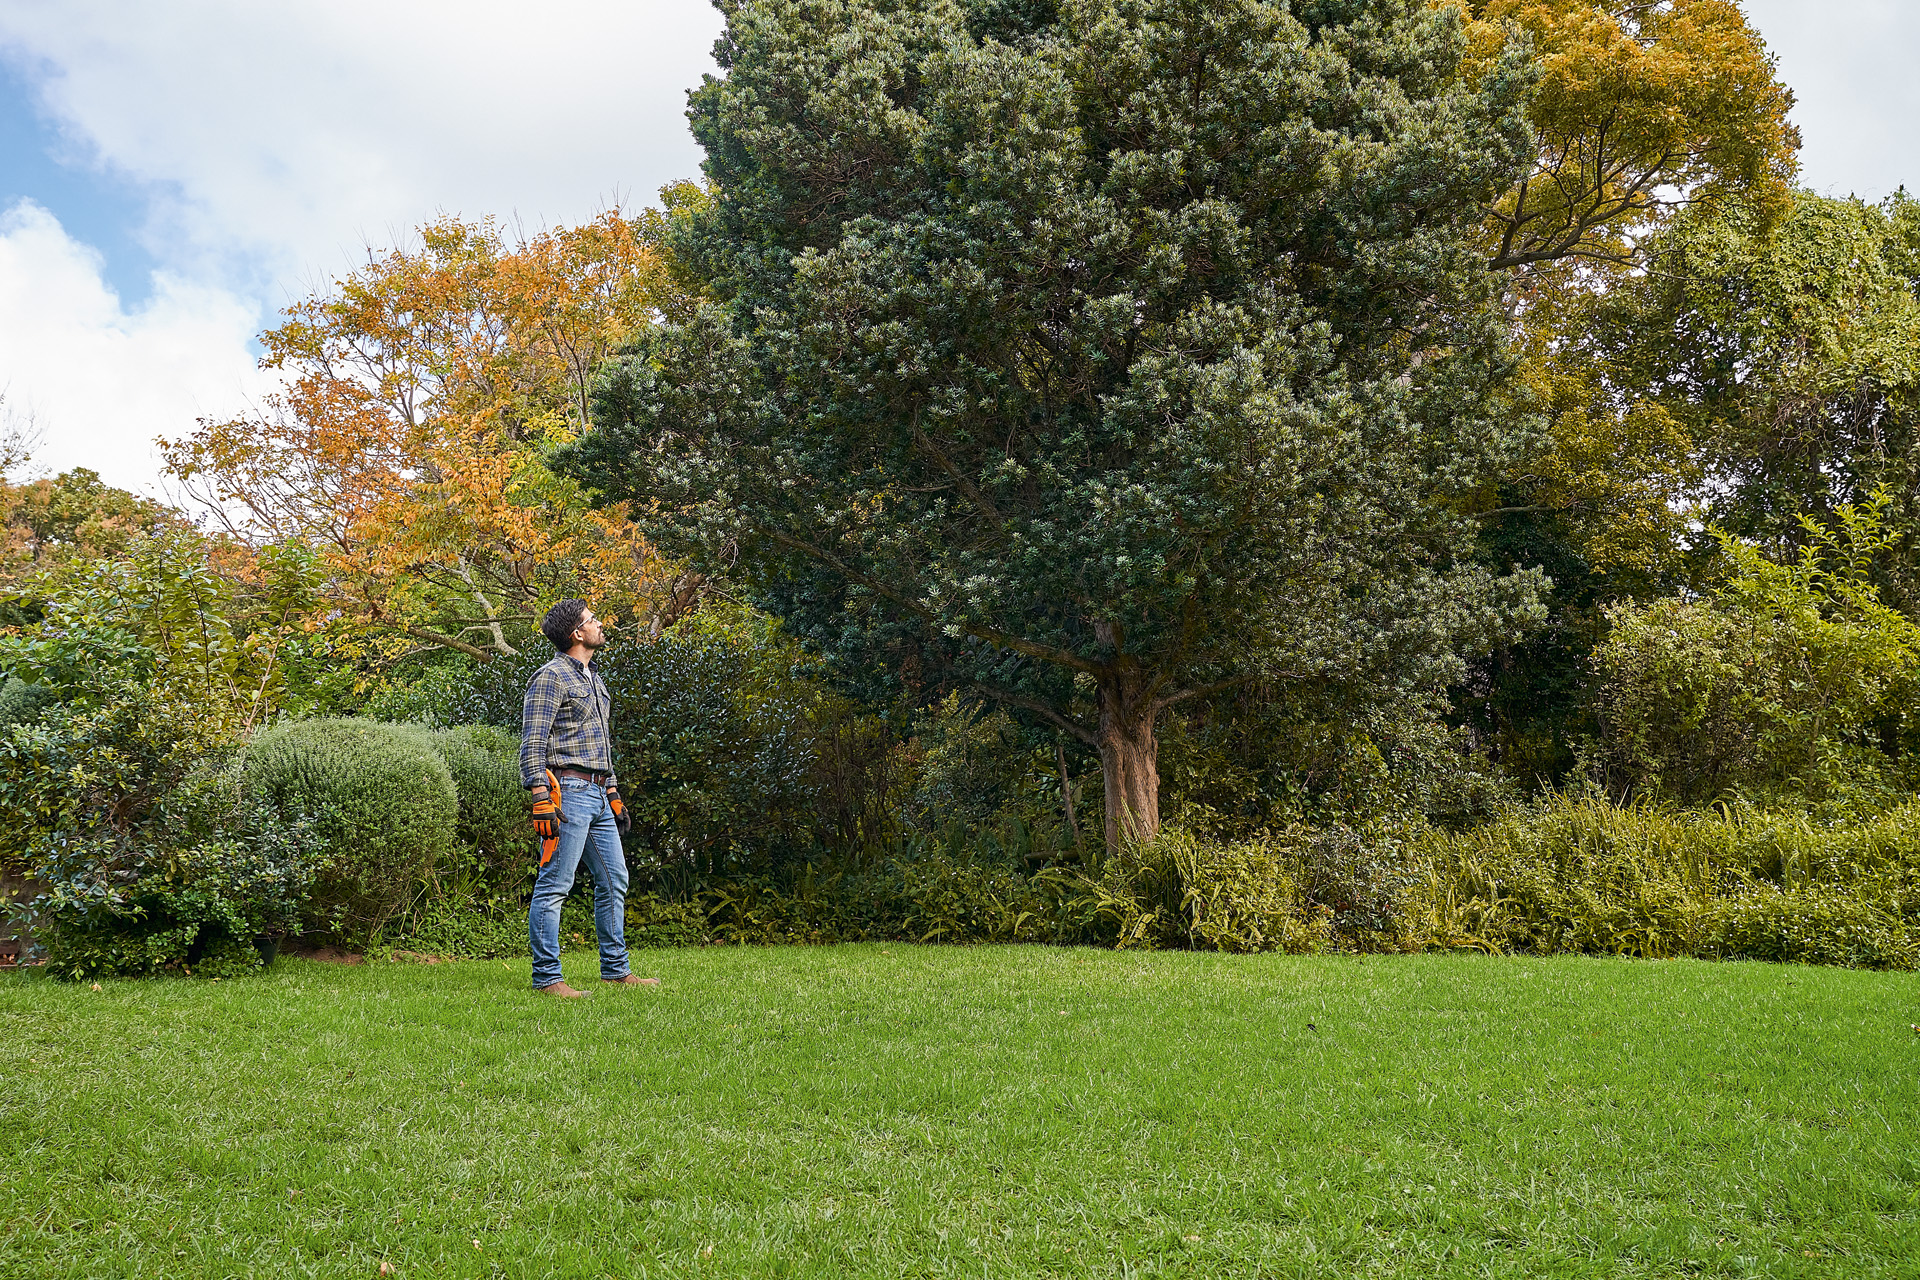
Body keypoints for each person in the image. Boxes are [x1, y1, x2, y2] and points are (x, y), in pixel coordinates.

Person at [520, 599, 658, 997]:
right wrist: (540, 797)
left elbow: (601, 744)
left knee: (615, 878)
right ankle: (547, 978)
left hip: (598, 792)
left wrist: (613, 791)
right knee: (555, 885)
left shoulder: (594, 679)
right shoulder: (550, 678)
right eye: (592, 620)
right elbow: (532, 741)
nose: (599, 624)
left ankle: (616, 971)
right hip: (568, 794)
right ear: (577, 634)